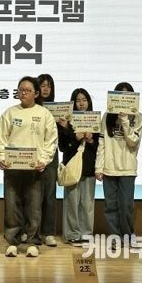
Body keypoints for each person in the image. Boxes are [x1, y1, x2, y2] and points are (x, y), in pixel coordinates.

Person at [0, 76, 57, 258]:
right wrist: (2, 158)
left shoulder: (45, 114)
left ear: (36, 94)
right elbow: (1, 139)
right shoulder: (9, 113)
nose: (23, 93)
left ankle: (32, 242)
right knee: (11, 206)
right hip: (13, 168)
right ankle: (12, 242)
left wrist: (44, 160)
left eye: (27, 90)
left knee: (34, 207)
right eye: (20, 90)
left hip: (35, 169)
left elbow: (51, 141)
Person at [95, 82, 142, 245]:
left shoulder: (138, 117)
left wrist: (124, 120)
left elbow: (133, 141)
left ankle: (128, 236)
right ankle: (115, 237)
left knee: (126, 206)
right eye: (120, 96)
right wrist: (99, 167)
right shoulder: (107, 116)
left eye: (127, 97)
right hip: (109, 167)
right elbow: (102, 142)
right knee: (110, 206)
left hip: (127, 168)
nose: (123, 100)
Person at [58, 88, 99, 246]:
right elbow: (62, 147)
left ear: (89, 102)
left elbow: (100, 147)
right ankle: (72, 234)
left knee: (87, 204)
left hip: (89, 167)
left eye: (84, 100)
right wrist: (73, 136)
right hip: (71, 168)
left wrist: (90, 140)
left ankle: (86, 234)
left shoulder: (95, 121)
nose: (81, 103)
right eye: (78, 101)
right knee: (72, 203)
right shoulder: (66, 122)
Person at [34, 73, 59, 247]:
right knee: (32, 195)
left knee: (50, 194)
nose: (45, 89)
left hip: (51, 156)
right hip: (32, 154)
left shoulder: (57, 109)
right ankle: (31, 231)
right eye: (42, 85)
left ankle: (48, 232)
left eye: (48, 86)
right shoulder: (31, 108)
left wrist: (64, 126)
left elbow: (62, 141)